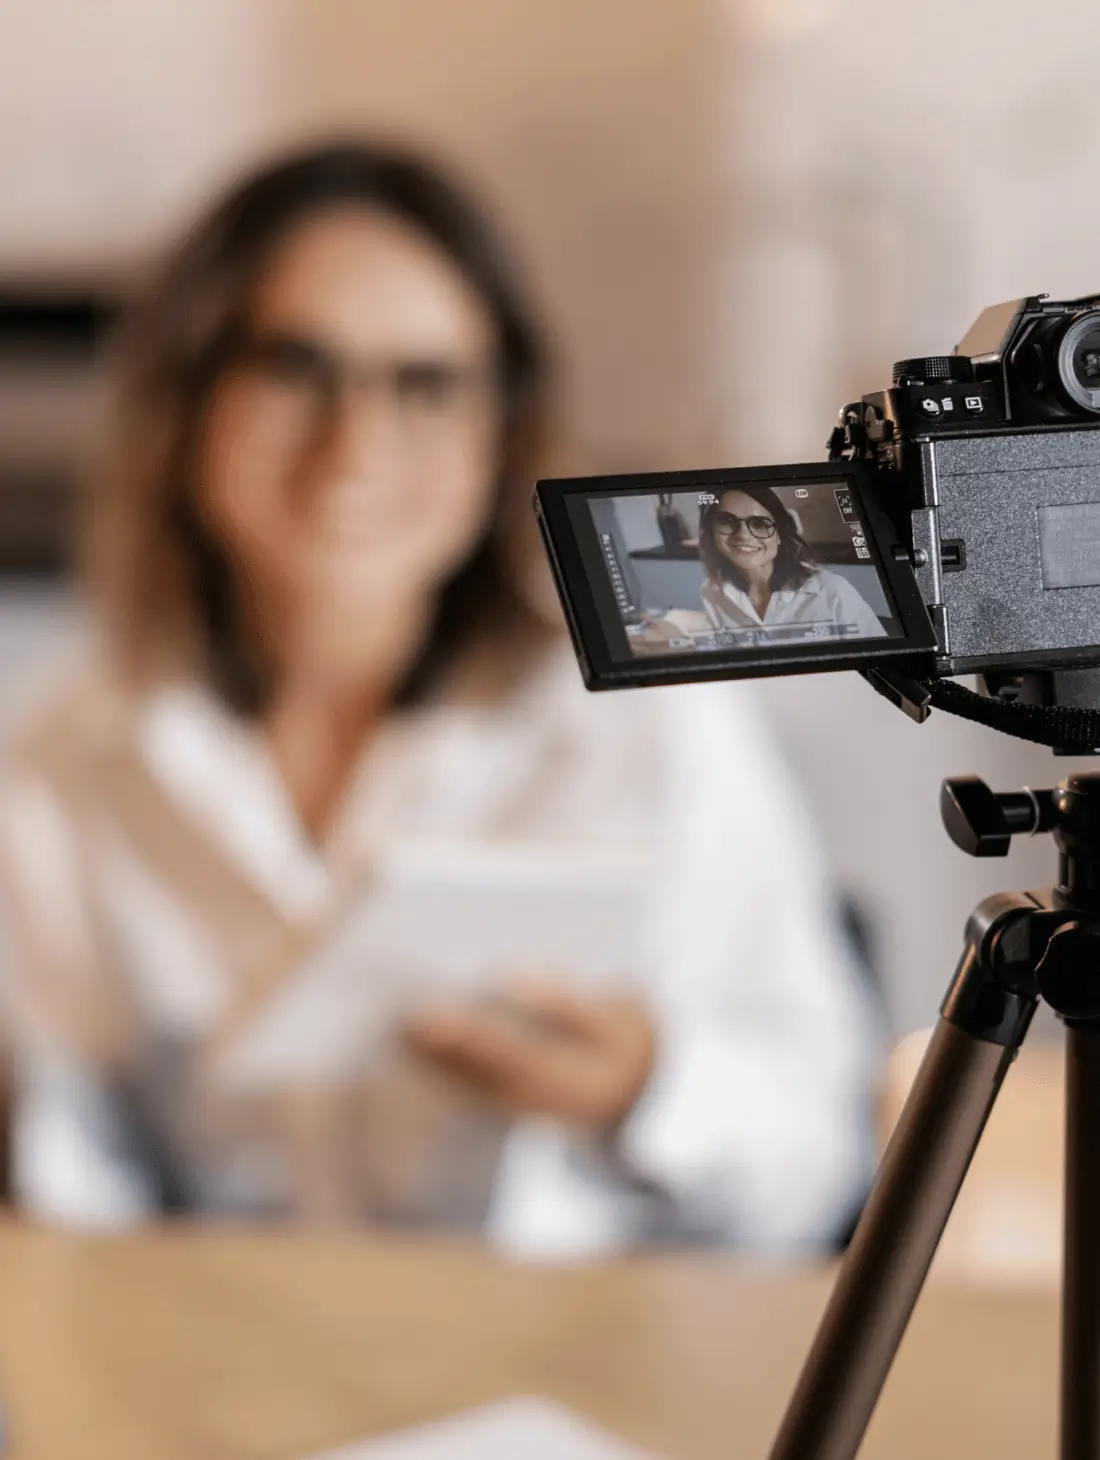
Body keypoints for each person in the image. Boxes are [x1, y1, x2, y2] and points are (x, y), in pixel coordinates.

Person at [0, 140, 878, 1258]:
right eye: (294, 365)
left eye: (426, 384)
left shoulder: (647, 722)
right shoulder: (68, 749)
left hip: (566, 1385)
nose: (356, 438)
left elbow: (818, 1162)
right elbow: (71, 1170)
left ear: (497, 429)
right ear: (187, 398)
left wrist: (638, 1089)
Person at [698, 487, 887, 637]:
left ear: (780, 535)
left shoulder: (833, 592)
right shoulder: (711, 591)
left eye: (760, 524)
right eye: (726, 521)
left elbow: (882, 666)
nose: (743, 536)